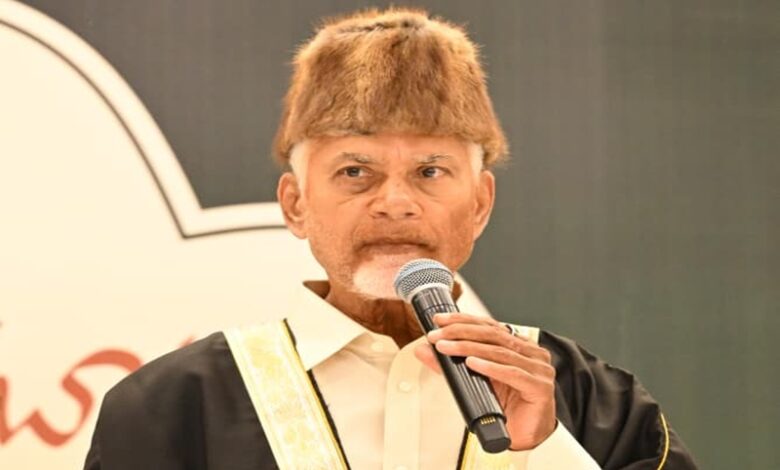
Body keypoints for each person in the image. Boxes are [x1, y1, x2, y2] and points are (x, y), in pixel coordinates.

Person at [84, 7, 698, 469]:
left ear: (481, 204)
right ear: (295, 205)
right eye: (356, 172)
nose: (395, 203)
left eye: (430, 172)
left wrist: (546, 452)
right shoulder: (172, 407)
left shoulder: (588, 399)